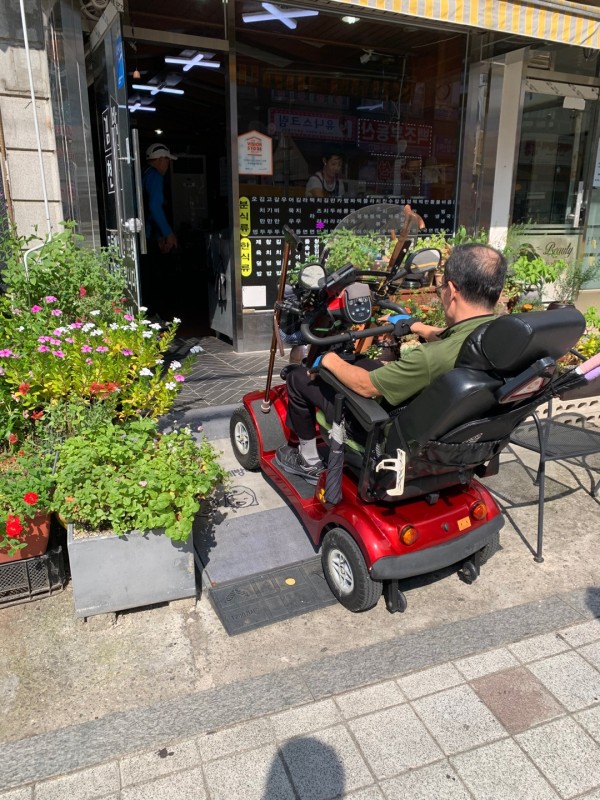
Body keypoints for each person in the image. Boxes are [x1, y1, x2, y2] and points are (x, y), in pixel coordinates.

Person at [275, 243, 508, 484]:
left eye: (440, 288)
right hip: (449, 432)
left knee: (299, 376)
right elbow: (453, 335)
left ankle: (308, 461)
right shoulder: (500, 337)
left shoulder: (432, 357)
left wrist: (327, 359)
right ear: (497, 292)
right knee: (361, 361)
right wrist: (415, 325)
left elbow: (365, 386)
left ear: (451, 289)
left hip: (390, 433)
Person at [143, 143, 178, 254]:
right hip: (145, 237)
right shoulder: (155, 176)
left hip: (144, 234)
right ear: (160, 159)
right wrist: (169, 233)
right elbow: (154, 206)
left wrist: (158, 236)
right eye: (167, 160)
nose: (168, 164)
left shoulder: (144, 173)